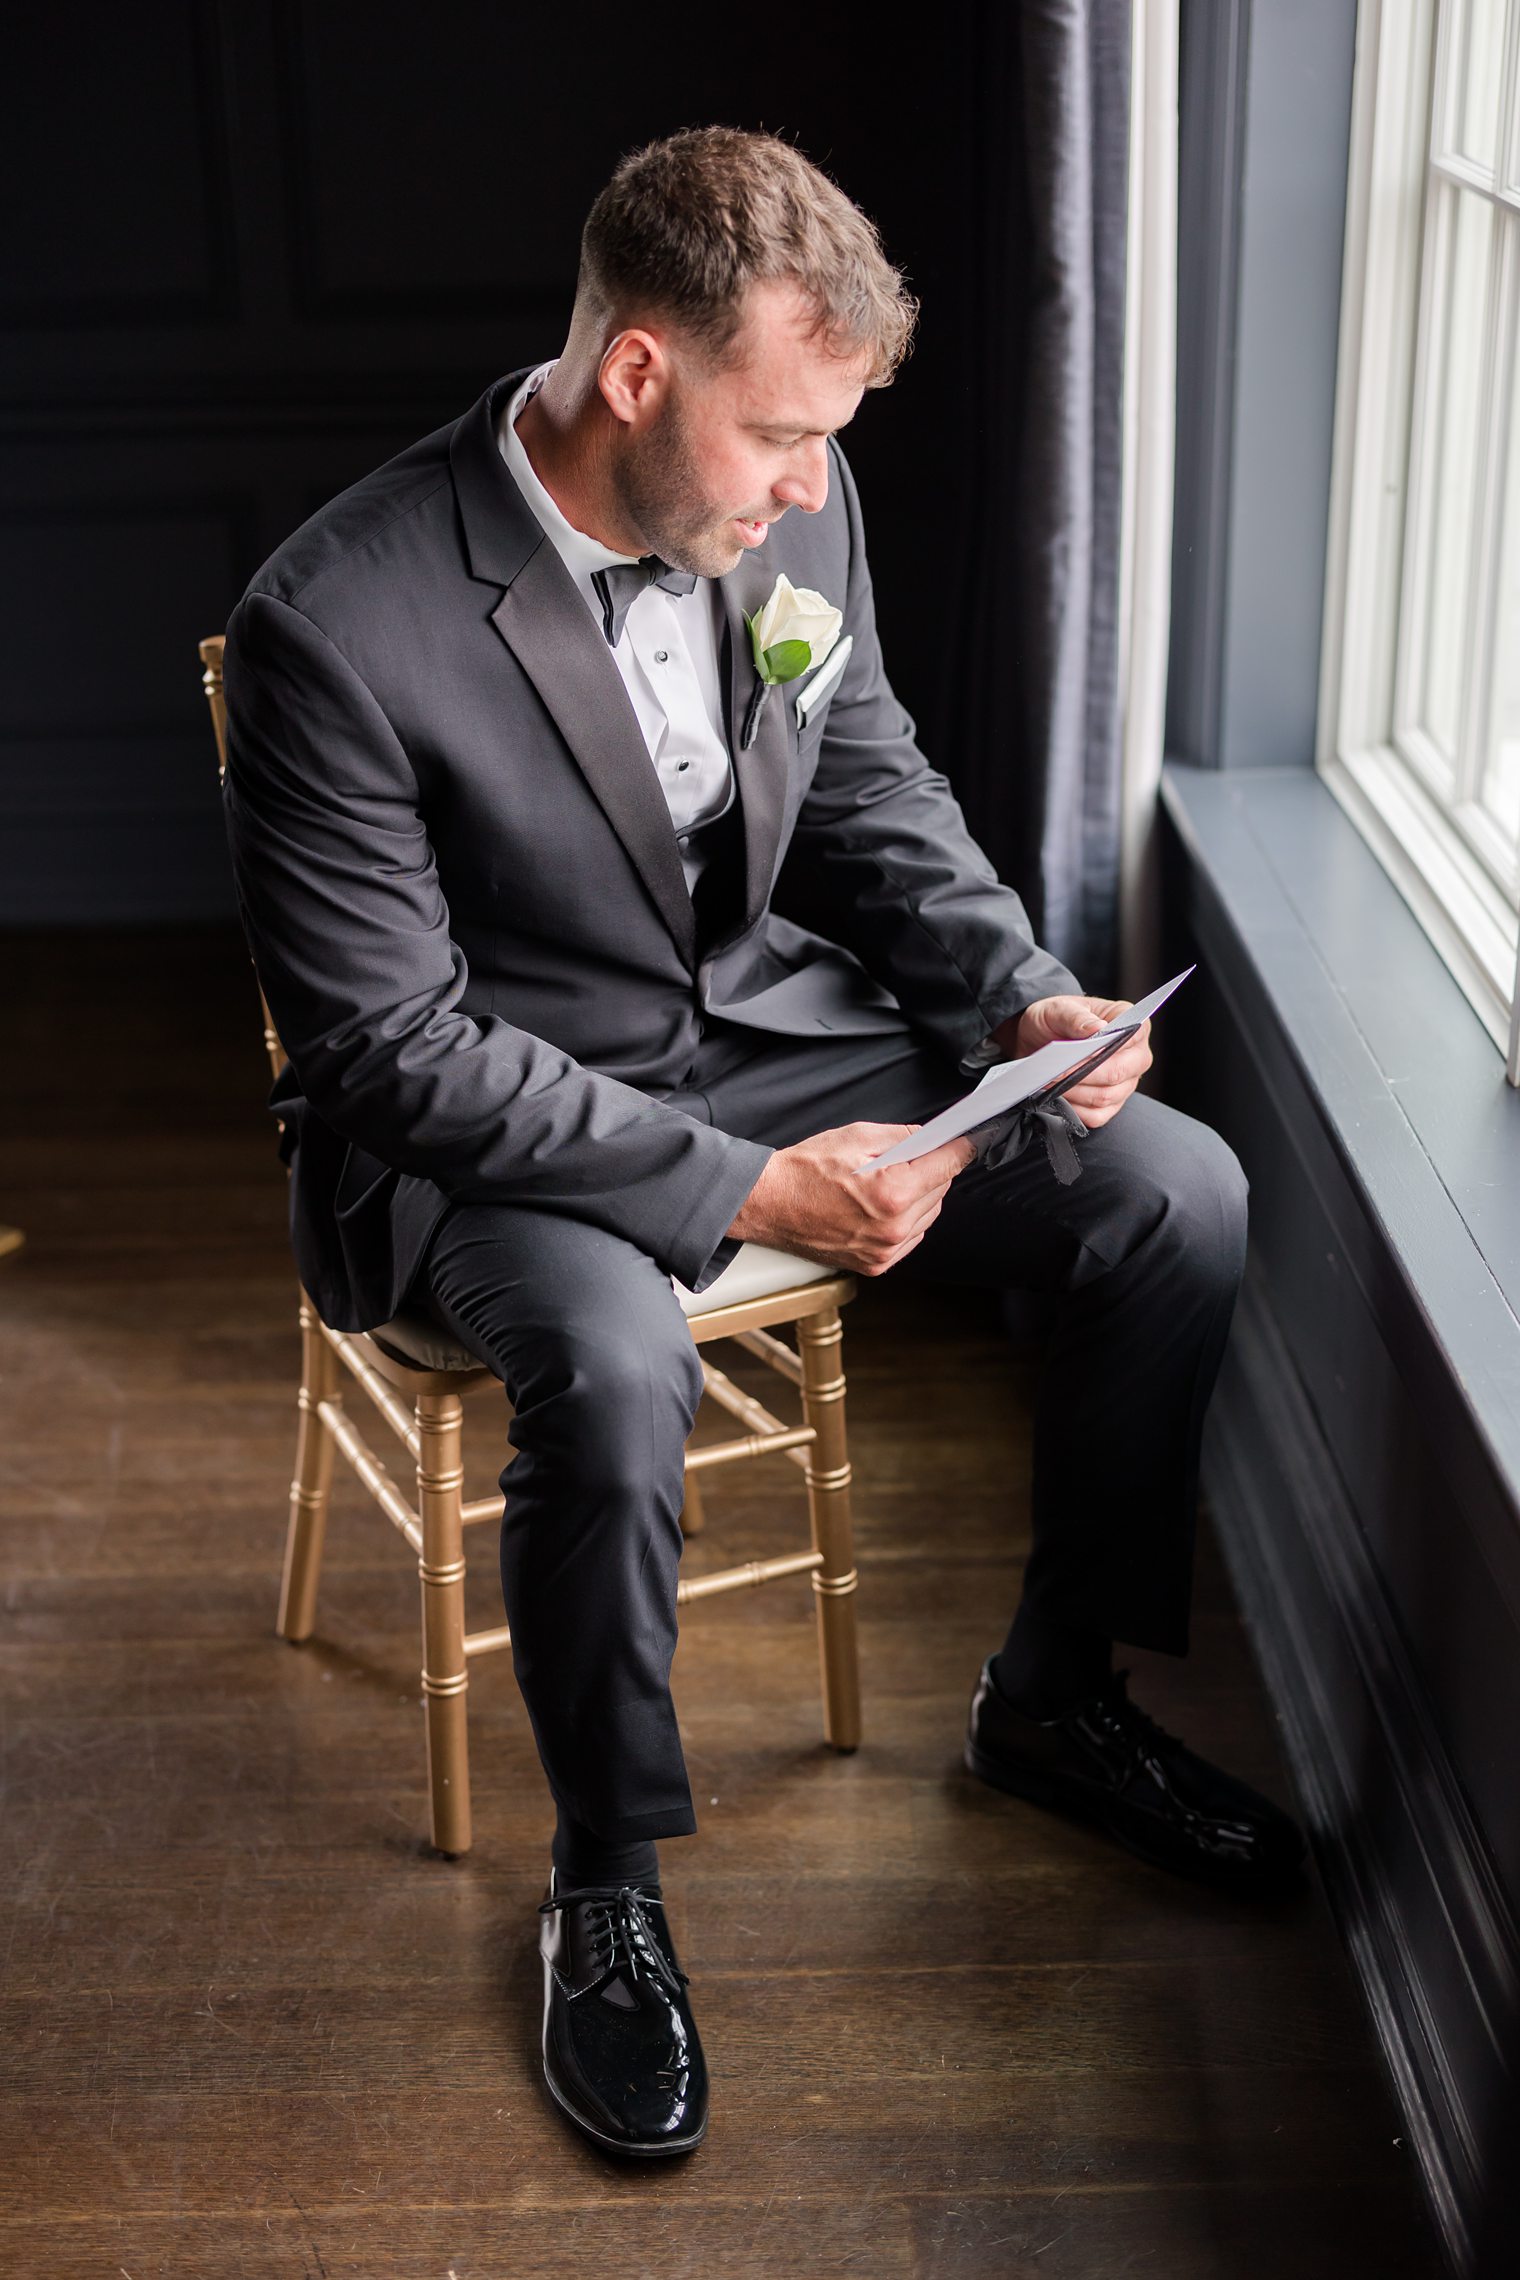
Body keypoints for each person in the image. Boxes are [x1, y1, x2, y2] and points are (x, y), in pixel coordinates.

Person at [221, 124, 1304, 2163]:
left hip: (756, 1025)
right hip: (493, 1116)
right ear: (639, 372)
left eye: (829, 440)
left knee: (1174, 1193)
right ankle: (607, 1886)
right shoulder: (335, 625)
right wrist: (739, 1193)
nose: (811, 484)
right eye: (779, 433)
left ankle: (1058, 1699)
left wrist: (1016, 995)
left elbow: (866, 771)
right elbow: (385, 1046)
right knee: (620, 1372)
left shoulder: (793, 503)